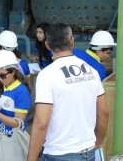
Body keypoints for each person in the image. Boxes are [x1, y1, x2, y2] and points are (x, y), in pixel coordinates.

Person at [27, 23, 109, 161]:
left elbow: (41, 122)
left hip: (58, 154)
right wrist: (98, 141)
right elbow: (103, 113)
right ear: (72, 41)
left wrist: (31, 158)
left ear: (47, 45)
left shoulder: (47, 75)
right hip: (88, 152)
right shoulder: (92, 71)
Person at [0, 49, 31, 136]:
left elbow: (18, 123)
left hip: (14, 142)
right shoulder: (1, 88)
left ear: (13, 72)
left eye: (2, 75)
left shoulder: (22, 91)